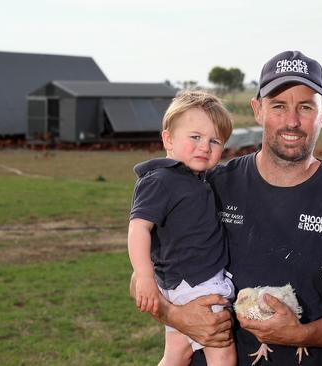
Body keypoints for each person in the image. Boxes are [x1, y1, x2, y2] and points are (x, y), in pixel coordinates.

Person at [131, 50, 322, 365]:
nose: (292, 121)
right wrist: (177, 316)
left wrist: (300, 335)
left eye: (305, 107)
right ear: (258, 110)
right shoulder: (210, 185)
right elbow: (145, 276)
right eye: (278, 106)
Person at [128, 90, 236, 365]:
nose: (205, 147)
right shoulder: (161, 180)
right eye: (195, 137)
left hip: (182, 282)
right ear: (168, 139)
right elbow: (139, 227)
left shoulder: (194, 179)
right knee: (221, 350)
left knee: (178, 353)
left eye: (215, 141)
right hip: (196, 281)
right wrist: (143, 276)